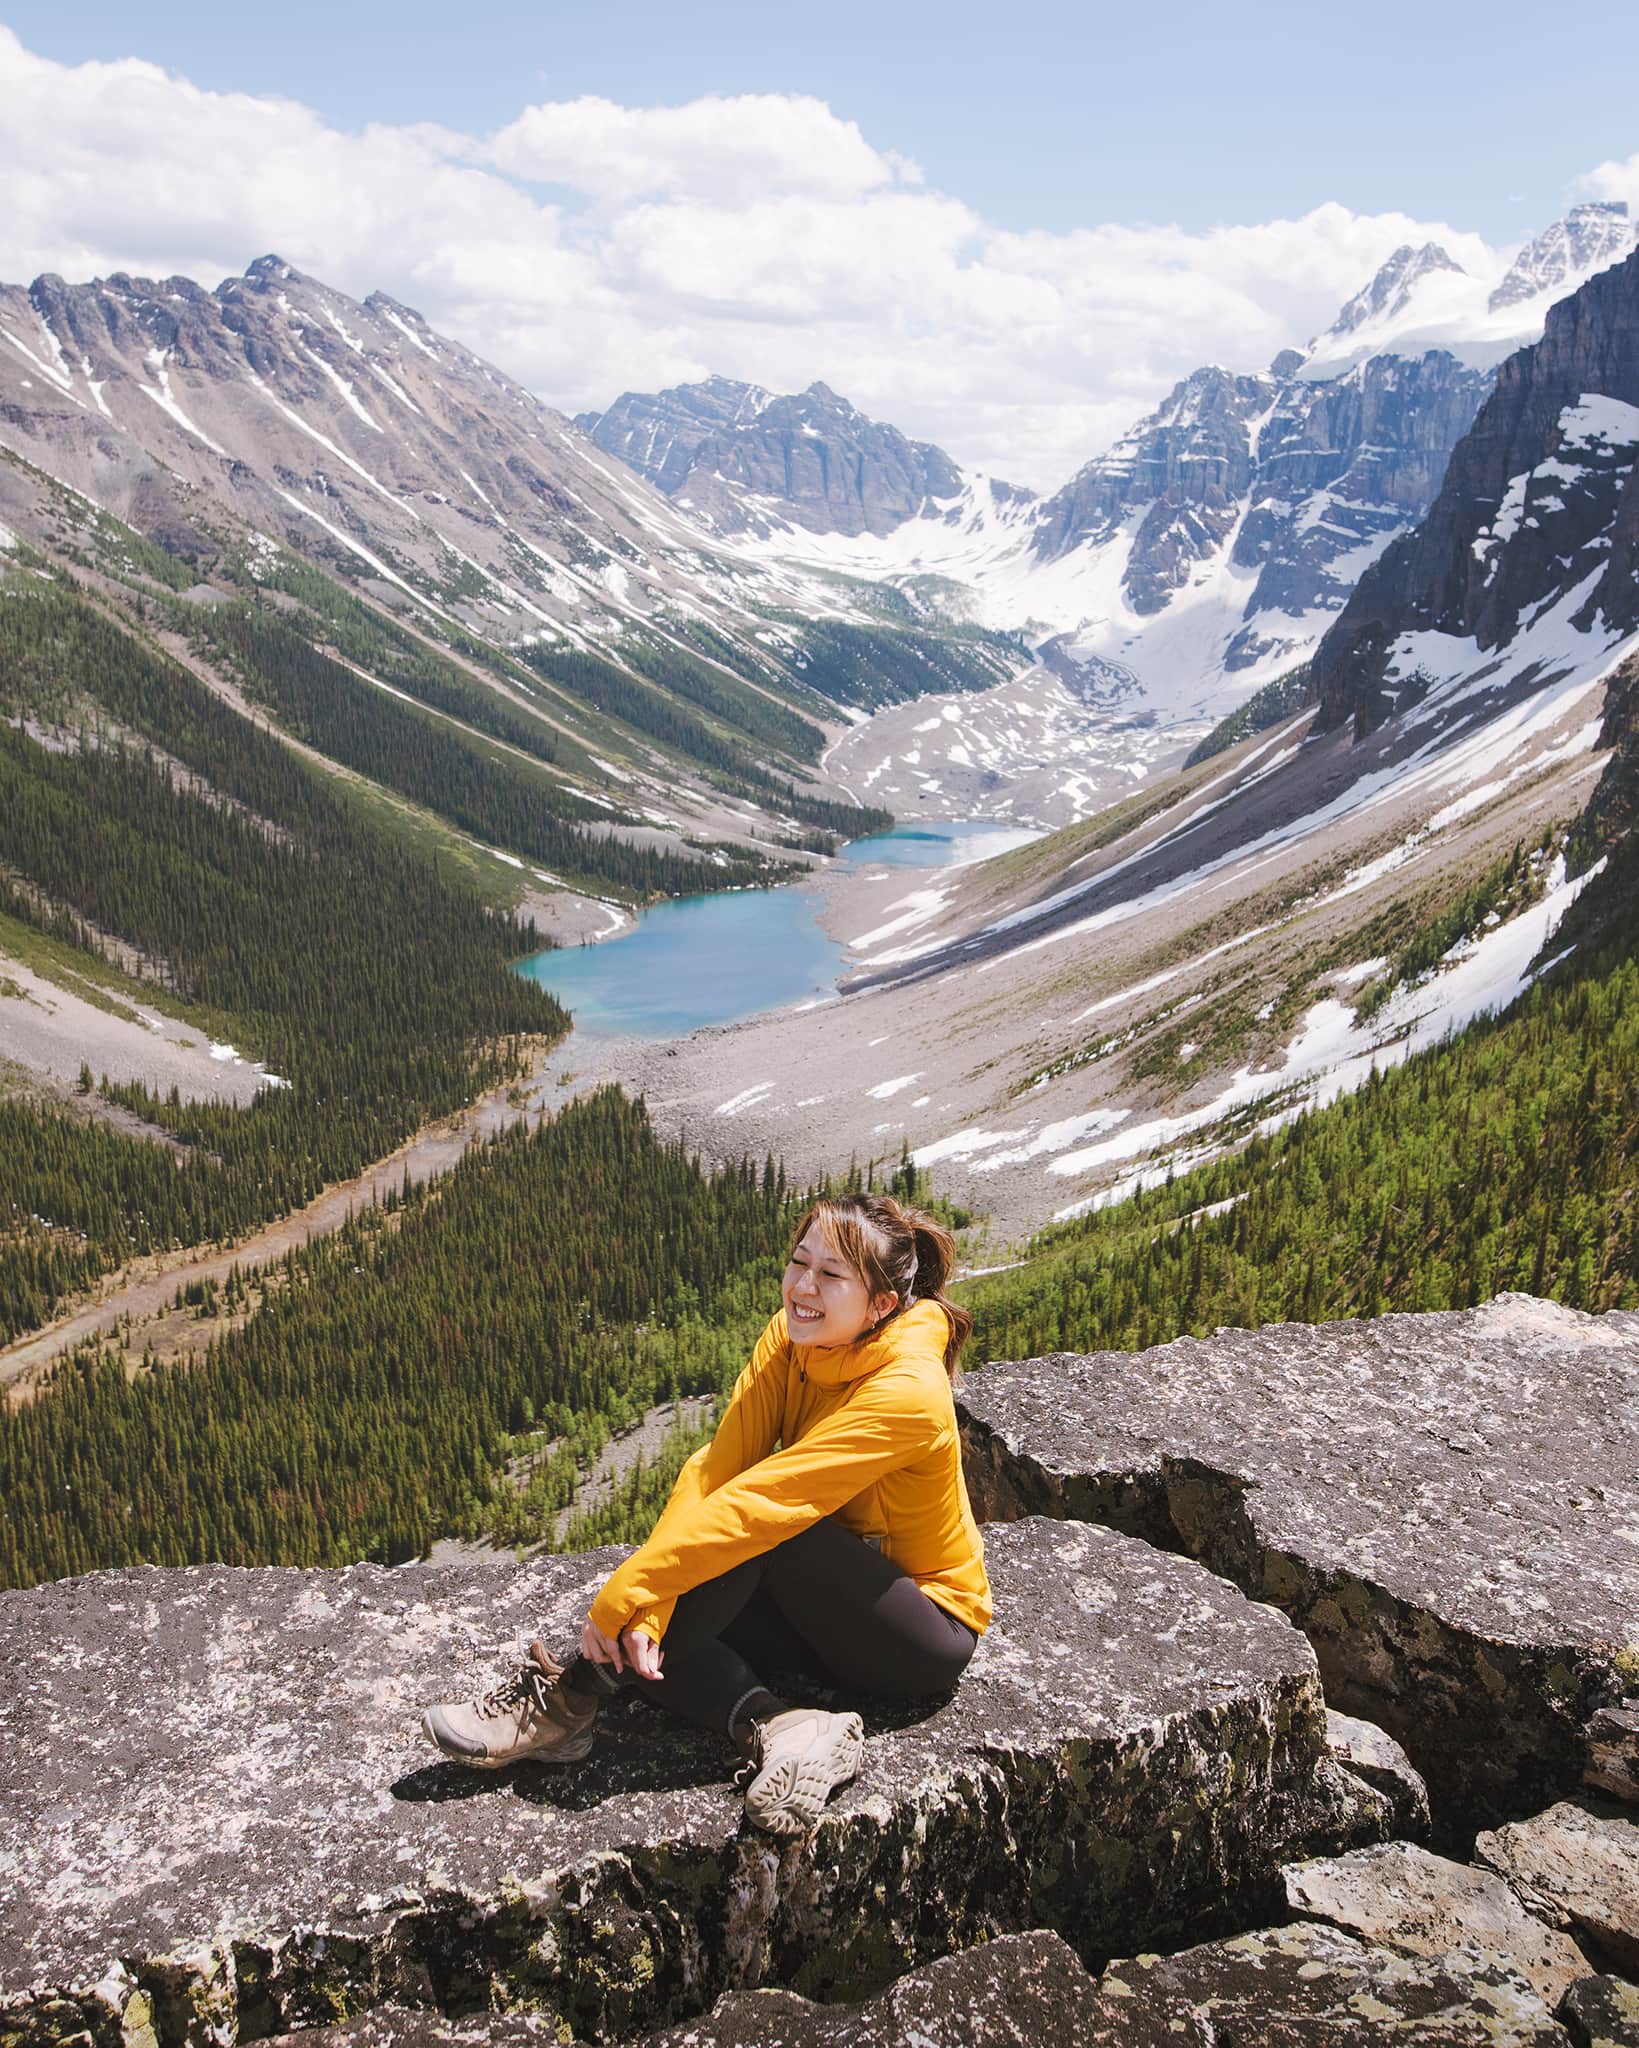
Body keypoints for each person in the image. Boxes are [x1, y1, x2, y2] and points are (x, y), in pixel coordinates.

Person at [421, 1192, 991, 1834]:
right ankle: (786, 1727)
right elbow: (716, 1469)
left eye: (830, 1275)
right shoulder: (792, 1336)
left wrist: (631, 1588)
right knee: (657, 1629)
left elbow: (767, 1501)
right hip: (814, 1608)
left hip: (914, 1630)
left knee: (760, 1537)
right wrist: (649, 1599)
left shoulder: (909, 1390)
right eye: (799, 1261)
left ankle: (571, 1698)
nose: (803, 1286)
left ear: (882, 1304)